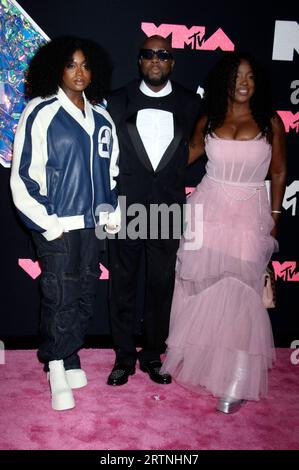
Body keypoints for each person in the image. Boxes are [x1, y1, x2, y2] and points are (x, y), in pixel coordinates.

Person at [160, 52, 287, 413]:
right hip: (207, 209)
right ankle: (207, 365)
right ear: (224, 83)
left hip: (249, 213)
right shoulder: (211, 119)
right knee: (203, 290)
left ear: (257, 82)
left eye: (248, 76)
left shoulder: (270, 122)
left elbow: (278, 173)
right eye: (235, 77)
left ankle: (239, 375)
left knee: (243, 294)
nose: (243, 83)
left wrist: (275, 214)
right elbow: (182, 158)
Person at [10, 36, 120, 411]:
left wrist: (109, 213)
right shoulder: (40, 112)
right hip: (56, 223)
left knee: (85, 293)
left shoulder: (103, 115)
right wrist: (47, 223)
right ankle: (54, 362)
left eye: (86, 65)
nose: (79, 72)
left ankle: (70, 354)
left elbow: (113, 170)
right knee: (59, 296)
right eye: (71, 64)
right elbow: (23, 175)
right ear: (57, 67)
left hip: (93, 225)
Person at [106, 35, 202, 386]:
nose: (156, 60)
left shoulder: (191, 103)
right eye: (148, 54)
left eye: (163, 54)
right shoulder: (116, 100)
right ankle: (123, 358)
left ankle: (152, 356)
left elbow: (199, 145)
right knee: (122, 285)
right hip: (124, 206)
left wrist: (175, 172)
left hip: (169, 206)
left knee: (161, 287)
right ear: (140, 61)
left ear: (172, 62)